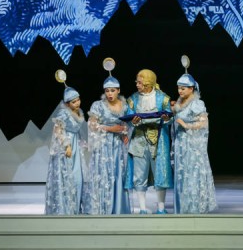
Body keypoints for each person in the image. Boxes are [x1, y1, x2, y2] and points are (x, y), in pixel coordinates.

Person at [84, 58, 131, 214]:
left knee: (118, 173)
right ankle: (102, 208)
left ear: (118, 90)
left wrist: (124, 132)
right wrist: (111, 128)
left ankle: (118, 208)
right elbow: (92, 125)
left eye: (112, 90)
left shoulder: (124, 105)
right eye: (107, 91)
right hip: (103, 145)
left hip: (117, 146)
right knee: (104, 174)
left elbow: (126, 124)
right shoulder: (98, 105)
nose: (110, 94)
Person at [172, 57, 217, 214]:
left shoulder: (197, 103)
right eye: (179, 88)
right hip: (181, 143)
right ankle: (183, 206)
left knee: (192, 172)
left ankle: (195, 206)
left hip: (192, 144)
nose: (180, 91)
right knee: (183, 173)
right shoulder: (180, 104)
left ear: (191, 89)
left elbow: (203, 123)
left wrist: (186, 125)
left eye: (183, 88)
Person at [125, 69, 173, 214]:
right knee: (139, 174)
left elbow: (170, 117)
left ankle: (161, 208)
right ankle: (142, 208)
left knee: (160, 173)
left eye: (139, 82)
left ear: (148, 83)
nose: (137, 85)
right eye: (137, 82)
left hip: (158, 140)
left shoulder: (163, 98)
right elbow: (129, 116)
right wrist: (133, 121)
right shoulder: (133, 99)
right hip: (139, 140)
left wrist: (166, 119)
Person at [45, 80, 88, 215]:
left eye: (78, 100)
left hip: (76, 145)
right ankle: (66, 208)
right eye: (74, 102)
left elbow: (78, 129)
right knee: (68, 176)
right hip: (67, 146)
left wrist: (82, 143)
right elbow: (58, 131)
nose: (77, 103)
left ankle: (76, 208)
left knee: (78, 177)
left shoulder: (79, 112)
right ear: (67, 103)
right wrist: (66, 145)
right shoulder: (63, 114)